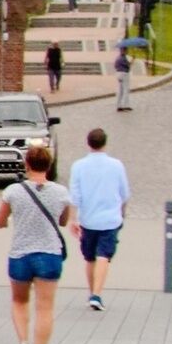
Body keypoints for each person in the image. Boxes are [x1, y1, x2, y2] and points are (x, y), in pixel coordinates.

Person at [0, 139, 77, 344]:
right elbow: (62, 220)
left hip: (20, 254)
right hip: (49, 255)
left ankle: (23, 343)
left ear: (27, 164)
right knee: (45, 308)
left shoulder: (13, 191)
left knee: (20, 301)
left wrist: (8, 221)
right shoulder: (61, 192)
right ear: (49, 166)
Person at [66, 125, 131, 310]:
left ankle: (92, 292)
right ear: (105, 143)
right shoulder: (116, 165)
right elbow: (125, 193)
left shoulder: (78, 166)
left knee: (90, 258)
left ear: (88, 144)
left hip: (88, 219)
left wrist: (73, 219)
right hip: (110, 219)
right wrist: (122, 212)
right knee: (104, 255)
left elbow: (75, 195)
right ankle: (97, 294)